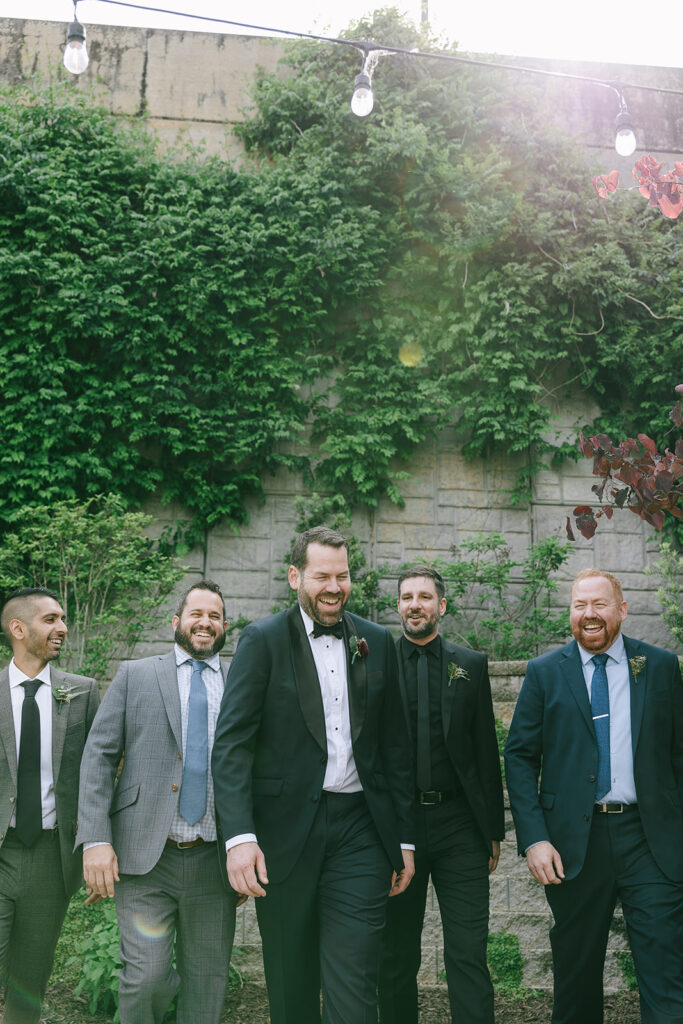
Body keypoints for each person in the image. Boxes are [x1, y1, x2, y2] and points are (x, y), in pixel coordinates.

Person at [211, 525, 416, 1024]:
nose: (334, 587)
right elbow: (232, 744)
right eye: (322, 576)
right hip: (283, 835)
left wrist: (404, 840)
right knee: (290, 979)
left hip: (360, 831)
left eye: (342, 576)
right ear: (294, 577)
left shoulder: (377, 640)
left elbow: (396, 747)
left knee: (354, 978)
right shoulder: (261, 639)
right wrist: (239, 836)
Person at [505, 568, 683, 1024]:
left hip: (650, 840)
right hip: (571, 844)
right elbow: (520, 758)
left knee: (666, 970)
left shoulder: (659, 667)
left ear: (620, 610)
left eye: (599, 604)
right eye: (580, 605)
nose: (589, 614)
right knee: (576, 976)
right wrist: (535, 839)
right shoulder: (545, 673)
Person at [76, 580, 237, 1024]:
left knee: (207, 986)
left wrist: (246, 847)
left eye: (215, 616)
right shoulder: (136, 675)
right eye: (196, 614)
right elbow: (99, 756)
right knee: (145, 978)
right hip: (145, 858)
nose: (205, 622)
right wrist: (95, 839)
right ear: (176, 622)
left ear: (225, 626)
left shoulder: (242, 682)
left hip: (213, 862)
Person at [378, 566, 504, 1024]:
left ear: (441, 606)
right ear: (398, 606)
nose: (416, 604)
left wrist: (492, 829)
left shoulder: (469, 665)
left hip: (460, 828)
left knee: (468, 952)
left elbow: (485, 751)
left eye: (425, 597)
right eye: (407, 596)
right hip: (398, 827)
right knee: (396, 956)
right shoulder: (377, 664)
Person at [0, 586, 99, 1024]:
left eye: (63, 619)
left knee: (30, 978)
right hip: (2, 849)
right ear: (18, 629)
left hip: (49, 858)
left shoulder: (82, 692)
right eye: (51, 620)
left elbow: (100, 775)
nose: (62, 628)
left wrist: (98, 844)